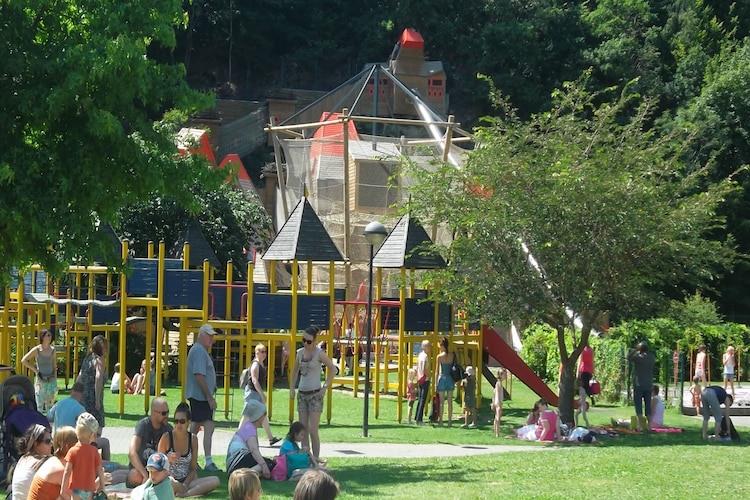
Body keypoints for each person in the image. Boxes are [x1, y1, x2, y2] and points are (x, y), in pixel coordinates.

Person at [289, 326, 336, 461]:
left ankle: (316, 459)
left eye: (309, 341)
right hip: (302, 394)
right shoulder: (299, 353)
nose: (305, 343)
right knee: (303, 430)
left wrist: (324, 387)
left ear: (315, 341)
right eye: (303, 340)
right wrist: (292, 388)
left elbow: (332, 369)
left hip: (315, 395)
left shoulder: (319, 353)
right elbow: (294, 371)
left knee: (313, 429)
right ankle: (306, 459)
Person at [157, 401, 220, 497]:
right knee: (170, 482)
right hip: (169, 480)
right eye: (176, 421)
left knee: (215, 480)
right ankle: (187, 492)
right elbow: (157, 465)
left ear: (188, 422)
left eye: (182, 421)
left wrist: (185, 484)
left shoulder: (193, 439)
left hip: (186, 481)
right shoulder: (166, 438)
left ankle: (185, 494)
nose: (178, 424)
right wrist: (167, 459)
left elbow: (193, 469)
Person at [186, 324, 220, 472]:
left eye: (212, 336)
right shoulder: (199, 351)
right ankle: (207, 461)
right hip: (200, 397)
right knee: (207, 426)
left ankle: (188, 458)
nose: (211, 339)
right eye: (209, 335)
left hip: (199, 396)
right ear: (201, 335)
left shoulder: (199, 350)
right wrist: (209, 397)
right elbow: (199, 375)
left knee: (195, 427)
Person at [239, 343, 280, 446]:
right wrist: (262, 394)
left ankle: (271, 438)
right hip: (252, 393)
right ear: (256, 352)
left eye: (265, 351)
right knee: (247, 416)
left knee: (262, 415)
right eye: (262, 351)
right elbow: (254, 381)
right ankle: (238, 437)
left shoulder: (261, 364)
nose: (264, 354)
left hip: (255, 393)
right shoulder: (255, 365)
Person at [127, 397, 172, 488]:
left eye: (168, 412)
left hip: (158, 470)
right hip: (142, 468)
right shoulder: (143, 425)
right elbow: (132, 452)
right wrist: (145, 475)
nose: (166, 416)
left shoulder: (168, 429)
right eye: (164, 413)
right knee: (134, 475)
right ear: (154, 413)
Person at [60, 412, 105, 500]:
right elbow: (100, 470)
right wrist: (102, 486)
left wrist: (63, 488)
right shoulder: (94, 452)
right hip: (89, 488)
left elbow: (67, 471)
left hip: (76, 487)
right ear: (92, 435)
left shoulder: (73, 451)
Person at [226, 400, 274, 478]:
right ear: (258, 416)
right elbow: (254, 450)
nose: (265, 418)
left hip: (233, 463)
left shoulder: (248, 426)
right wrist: (264, 465)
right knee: (269, 464)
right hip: (239, 460)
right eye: (264, 415)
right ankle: (242, 476)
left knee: (266, 463)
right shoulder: (249, 428)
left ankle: (252, 474)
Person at [10, 424, 53, 500]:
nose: (51, 444)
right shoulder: (43, 463)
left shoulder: (22, 459)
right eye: (48, 441)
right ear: (36, 444)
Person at [21, 329, 58, 414]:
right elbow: (24, 360)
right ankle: (39, 420)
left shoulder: (53, 350)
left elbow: (54, 366)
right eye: (47, 335)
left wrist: (55, 380)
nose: (49, 337)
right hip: (40, 380)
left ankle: (49, 421)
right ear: (42, 337)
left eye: (50, 335)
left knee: (50, 406)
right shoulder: (37, 349)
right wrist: (36, 371)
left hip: (51, 379)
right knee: (39, 405)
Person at [78, 334, 107, 431]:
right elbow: (98, 378)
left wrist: (76, 392)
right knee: (97, 425)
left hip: (84, 395)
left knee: (85, 424)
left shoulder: (87, 359)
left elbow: (80, 376)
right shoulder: (99, 360)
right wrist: (97, 400)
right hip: (93, 395)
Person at [627, 341, 655, 431]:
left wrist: (635, 350)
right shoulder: (651, 357)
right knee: (648, 405)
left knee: (638, 404)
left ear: (640, 349)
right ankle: (649, 425)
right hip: (649, 384)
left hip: (639, 384)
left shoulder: (638, 357)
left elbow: (629, 357)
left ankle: (640, 426)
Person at [435, 337, 456, 427]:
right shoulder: (452, 355)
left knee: (441, 402)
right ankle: (450, 421)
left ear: (442, 346)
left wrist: (435, 383)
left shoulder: (439, 357)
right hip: (450, 378)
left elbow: (436, 371)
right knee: (450, 402)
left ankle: (441, 421)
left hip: (442, 378)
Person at [414, 340, 431, 425]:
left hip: (419, 378)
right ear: (424, 347)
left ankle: (416, 416)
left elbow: (417, 366)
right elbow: (424, 368)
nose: (430, 348)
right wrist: (428, 375)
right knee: (423, 399)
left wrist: (418, 376)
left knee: (420, 398)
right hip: (425, 379)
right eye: (428, 346)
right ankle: (419, 419)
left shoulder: (420, 355)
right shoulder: (425, 356)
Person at [492, 368, 506, 437]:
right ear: (500, 375)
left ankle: (495, 431)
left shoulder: (499, 383)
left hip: (498, 402)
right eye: (504, 374)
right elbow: (497, 393)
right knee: (498, 418)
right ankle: (497, 433)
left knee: (496, 417)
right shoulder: (498, 383)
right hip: (498, 402)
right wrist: (498, 403)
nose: (505, 376)